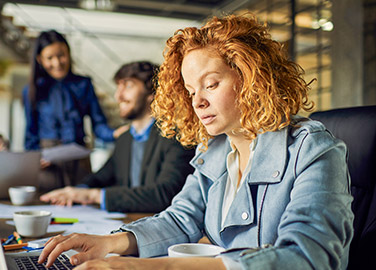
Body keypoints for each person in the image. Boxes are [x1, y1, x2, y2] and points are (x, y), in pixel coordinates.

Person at [37, 14, 354, 269]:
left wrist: (152, 268)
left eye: (211, 84)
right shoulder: (214, 149)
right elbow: (181, 218)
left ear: (250, 78)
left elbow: (309, 257)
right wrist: (108, 243)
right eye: (190, 92)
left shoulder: (313, 149)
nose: (197, 102)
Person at [39, 61, 195, 212]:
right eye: (118, 86)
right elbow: (101, 177)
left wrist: (92, 195)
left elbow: (164, 194)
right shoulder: (125, 138)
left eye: (128, 85)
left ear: (153, 91)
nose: (118, 96)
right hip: (128, 221)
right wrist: (75, 192)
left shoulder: (176, 136)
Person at [23, 30, 127, 190]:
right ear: (40, 60)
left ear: (69, 54)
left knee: (82, 205)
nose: (57, 63)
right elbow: (30, 134)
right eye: (50, 58)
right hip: (48, 164)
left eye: (61, 55)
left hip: (79, 160)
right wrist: (35, 158)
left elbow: (98, 124)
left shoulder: (84, 84)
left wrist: (114, 134)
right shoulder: (32, 90)